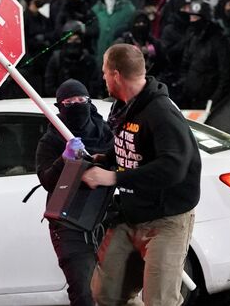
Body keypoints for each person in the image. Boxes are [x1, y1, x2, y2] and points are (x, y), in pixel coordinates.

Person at [76, 43, 200, 306]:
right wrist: (107, 158)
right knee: (106, 294)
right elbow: (132, 145)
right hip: (130, 215)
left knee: (159, 300)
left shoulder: (161, 112)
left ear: (116, 75)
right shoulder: (122, 107)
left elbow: (172, 166)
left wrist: (113, 178)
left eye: (104, 72)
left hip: (166, 220)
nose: (103, 78)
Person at [36, 79, 113, 306]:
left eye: (81, 100)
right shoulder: (51, 139)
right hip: (68, 223)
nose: (77, 105)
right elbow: (46, 180)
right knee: (84, 291)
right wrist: (64, 160)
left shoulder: (106, 133)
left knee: (114, 291)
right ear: (60, 107)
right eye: (69, 102)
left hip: (105, 218)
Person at [179, 0, 230, 109]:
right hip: (191, 99)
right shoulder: (192, 37)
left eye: (196, 17)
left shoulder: (221, 41)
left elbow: (227, 75)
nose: (192, 21)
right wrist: (185, 86)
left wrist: (213, 101)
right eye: (191, 17)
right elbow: (185, 65)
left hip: (211, 103)